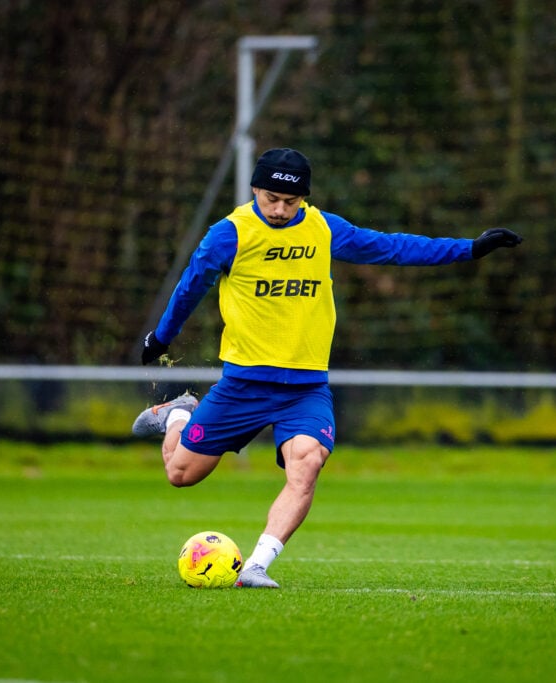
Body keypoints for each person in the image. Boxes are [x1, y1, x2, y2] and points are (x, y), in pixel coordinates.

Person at [132, 148, 522, 588]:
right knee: (181, 475)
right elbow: (189, 288)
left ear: (305, 199)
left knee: (308, 463)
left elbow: (394, 247)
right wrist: (161, 337)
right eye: (271, 199)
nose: (280, 210)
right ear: (255, 189)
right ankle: (179, 415)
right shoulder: (229, 235)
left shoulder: (324, 229)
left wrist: (469, 249)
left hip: (305, 389)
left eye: (290, 202)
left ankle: (256, 566)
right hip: (242, 385)